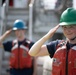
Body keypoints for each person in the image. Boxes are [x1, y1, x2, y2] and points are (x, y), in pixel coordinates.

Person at [29, 7, 76, 75]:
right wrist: (46, 36)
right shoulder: (57, 45)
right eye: (64, 27)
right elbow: (32, 52)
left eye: (71, 27)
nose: (67, 30)